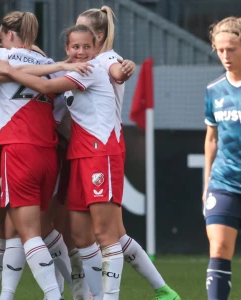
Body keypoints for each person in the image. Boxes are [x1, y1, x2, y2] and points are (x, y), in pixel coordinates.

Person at [0, 24, 125, 300]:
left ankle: (60, 295)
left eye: (87, 46)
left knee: (106, 235)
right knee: (73, 234)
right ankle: (87, 295)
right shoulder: (59, 67)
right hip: (67, 154)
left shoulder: (90, 68)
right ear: (66, 48)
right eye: (76, 47)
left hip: (96, 153)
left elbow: (47, 85)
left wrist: (10, 69)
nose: (81, 52)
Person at [76, 6, 180, 300]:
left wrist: (125, 68)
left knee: (105, 235)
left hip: (103, 150)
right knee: (116, 236)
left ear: (96, 35)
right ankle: (164, 290)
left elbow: (118, 71)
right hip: (86, 151)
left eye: (82, 29)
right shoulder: (84, 62)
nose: (77, 34)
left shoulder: (106, 59)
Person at [203, 16, 241, 300]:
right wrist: (206, 184)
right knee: (218, 250)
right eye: (220, 50)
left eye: (232, 49)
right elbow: (212, 139)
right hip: (224, 181)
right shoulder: (214, 91)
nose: (225, 56)